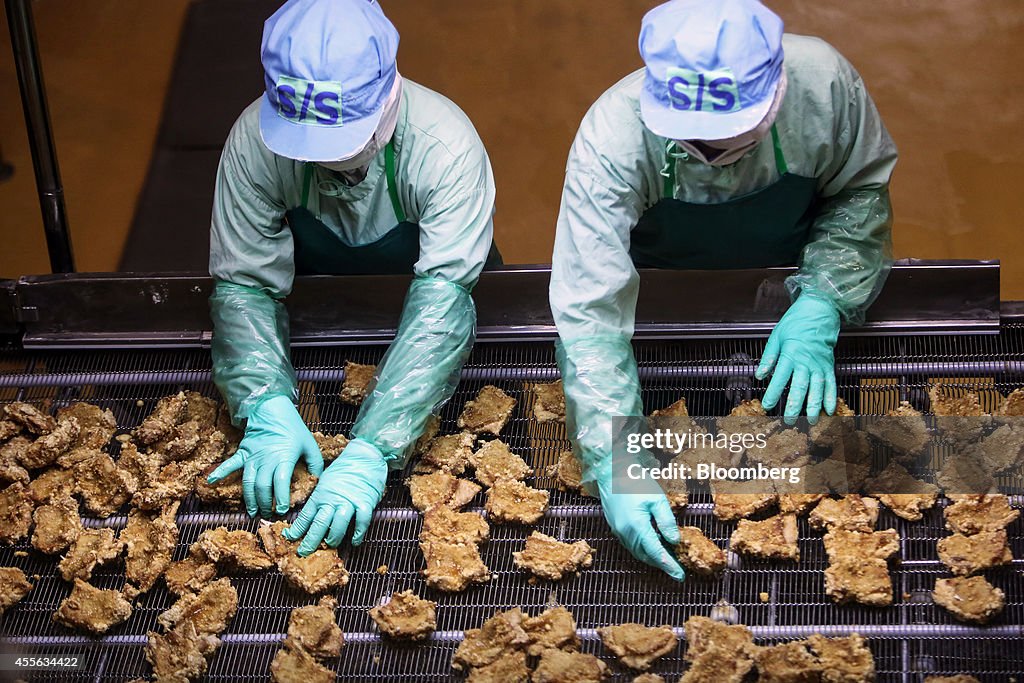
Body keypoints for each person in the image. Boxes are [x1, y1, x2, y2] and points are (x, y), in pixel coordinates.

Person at [550, 0, 897, 579]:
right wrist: (617, 459)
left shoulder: (824, 86)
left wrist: (825, 295)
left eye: (730, 135)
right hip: (659, 301)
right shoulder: (613, 136)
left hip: (790, 287)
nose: (713, 155)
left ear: (776, 91)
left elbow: (860, 192)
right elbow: (590, 310)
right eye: (695, 141)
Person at [206, 0, 498, 555]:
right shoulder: (253, 144)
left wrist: (372, 449)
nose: (328, 158)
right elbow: (244, 283)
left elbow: (441, 305)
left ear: (388, 97)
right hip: (321, 321)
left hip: (441, 325)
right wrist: (265, 401)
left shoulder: (443, 147)